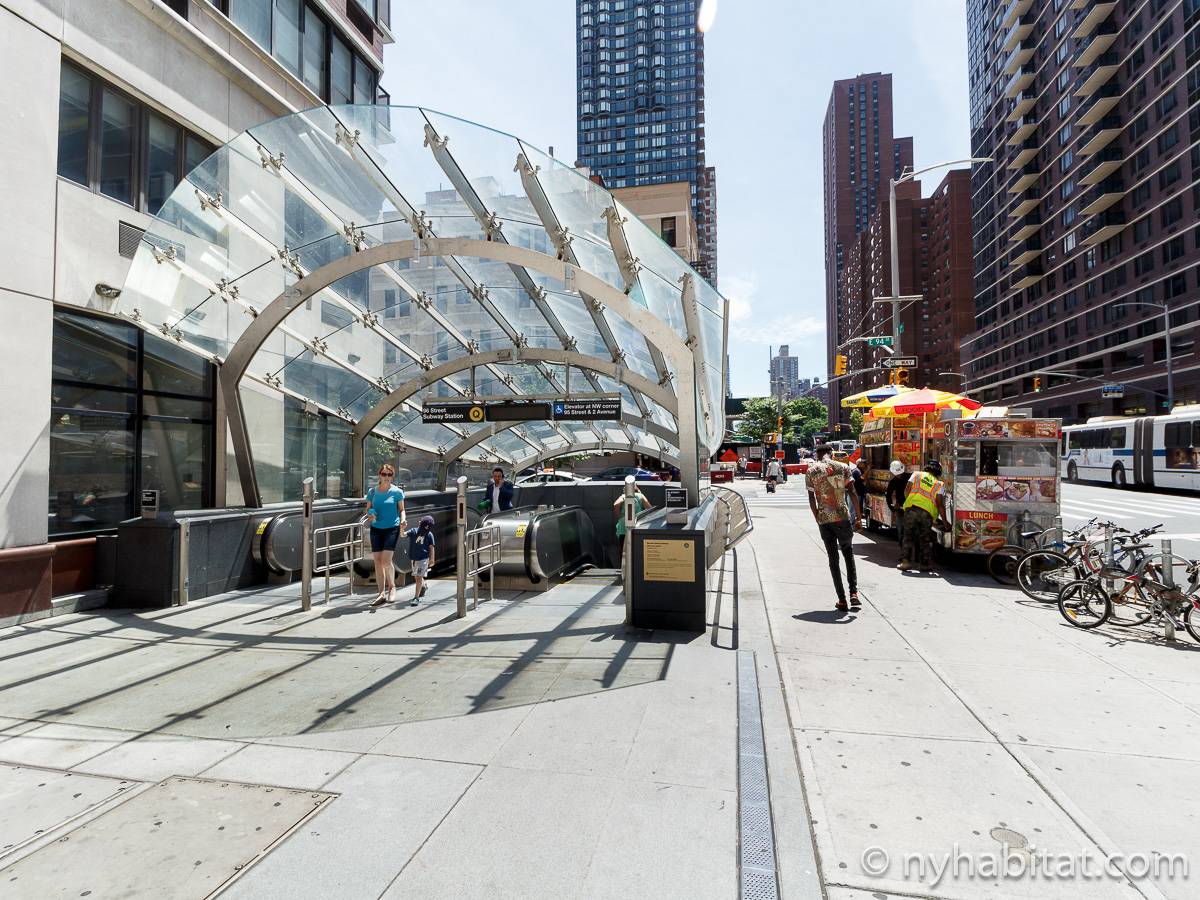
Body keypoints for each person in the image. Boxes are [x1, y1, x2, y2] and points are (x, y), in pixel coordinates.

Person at [805, 444, 862, 611]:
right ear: (831, 453)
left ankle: (842, 600)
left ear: (817, 455)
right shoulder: (843, 467)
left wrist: (817, 517)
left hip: (824, 519)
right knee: (848, 553)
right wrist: (859, 517)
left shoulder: (811, 471)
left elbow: (811, 498)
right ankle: (853, 593)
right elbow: (852, 492)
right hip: (843, 517)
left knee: (833, 559)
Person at [365, 465, 406, 605]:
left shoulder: (397, 492)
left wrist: (403, 520)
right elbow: (368, 509)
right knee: (377, 561)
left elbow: (402, 510)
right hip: (376, 528)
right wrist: (370, 514)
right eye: (384, 474)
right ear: (380, 475)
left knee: (386, 561)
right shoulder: (372, 492)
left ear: (392, 476)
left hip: (392, 528)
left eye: (389, 474)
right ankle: (381, 593)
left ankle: (392, 587)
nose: (386, 477)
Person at [900, 459, 950, 573]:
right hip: (927, 514)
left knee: (908, 536)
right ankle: (924, 565)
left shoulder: (916, 474)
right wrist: (945, 522)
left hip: (911, 509)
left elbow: (907, 490)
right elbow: (940, 504)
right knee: (925, 539)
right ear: (938, 471)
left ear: (927, 467)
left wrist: (910, 500)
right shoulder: (939, 484)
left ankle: (906, 562)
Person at [404, 515, 436, 606]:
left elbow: (431, 547)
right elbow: (403, 535)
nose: (425, 531)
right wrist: (402, 528)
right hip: (414, 558)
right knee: (417, 576)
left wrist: (432, 559)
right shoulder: (413, 531)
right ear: (419, 523)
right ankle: (424, 585)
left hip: (423, 558)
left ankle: (416, 597)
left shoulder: (429, 534)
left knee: (418, 577)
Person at [885, 460, 909, 543]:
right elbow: (888, 496)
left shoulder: (910, 478)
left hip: (910, 509)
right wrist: (893, 509)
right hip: (901, 510)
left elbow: (888, 496)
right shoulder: (893, 481)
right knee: (901, 532)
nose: (898, 475)